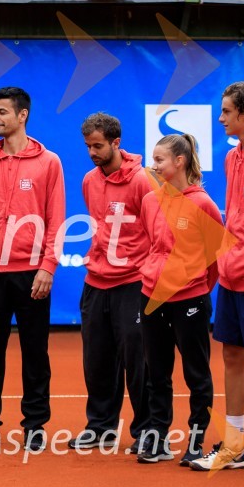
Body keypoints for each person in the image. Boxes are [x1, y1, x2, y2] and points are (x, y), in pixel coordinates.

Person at [0, 87, 65, 452]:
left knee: (35, 352)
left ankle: (35, 425)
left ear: (22, 116)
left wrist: (48, 266)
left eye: (2, 112)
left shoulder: (49, 162)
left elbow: (56, 220)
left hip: (32, 272)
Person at [191, 81, 244, 471]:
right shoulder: (232, 157)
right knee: (232, 355)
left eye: (225, 112)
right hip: (233, 275)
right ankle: (234, 447)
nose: (220, 119)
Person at [136, 133, 222, 466]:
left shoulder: (203, 204)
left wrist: (195, 288)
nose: (153, 165)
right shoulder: (149, 201)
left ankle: (196, 443)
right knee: (156, 374)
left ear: (179, 162)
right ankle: (158, 441)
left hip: (191, 300)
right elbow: (151, 246)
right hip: (151, 299)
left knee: (196, 374)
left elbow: (215, 258)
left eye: (159, 160)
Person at [69, 113, 152, 454]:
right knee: (97, 359)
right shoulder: (89, 180)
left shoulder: (144, 181)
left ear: (116, 143)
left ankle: (147, 429)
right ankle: (100, 427)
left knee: (138, 360)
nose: (92, 152)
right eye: (88, 146)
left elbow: (156, 231)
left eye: (98, 146)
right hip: (96, 280)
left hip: (133, 283)